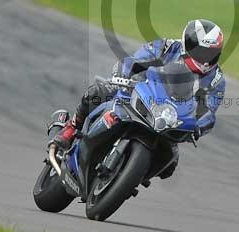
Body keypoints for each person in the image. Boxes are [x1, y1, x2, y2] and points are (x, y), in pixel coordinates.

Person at [51, 19, 226, 172]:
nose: (206, 59)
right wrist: (123, 76)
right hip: (137, 93)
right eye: (203, 53)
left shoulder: (216, 79)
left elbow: (209, 111)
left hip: (169, 119)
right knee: (99, 92)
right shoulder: (167, 47)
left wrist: (198, 127)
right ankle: (72, 127)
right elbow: (134, 61)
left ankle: (129, 175)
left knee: (170, 163)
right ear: (189, 44)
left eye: (211, 54)